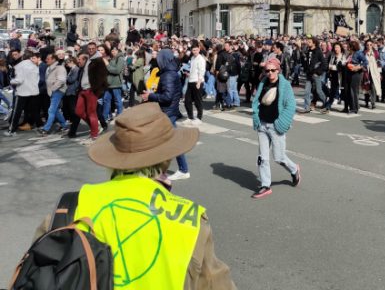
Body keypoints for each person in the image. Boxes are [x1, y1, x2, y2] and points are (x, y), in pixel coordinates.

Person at [28, 103, 237, 289]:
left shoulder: (70, 208)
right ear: (167, 159)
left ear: (114, 159)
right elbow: (215, 282)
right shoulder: (191, 221)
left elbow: (35, 272)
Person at [251, 57, 301, 199]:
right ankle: (265, 185)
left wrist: (281, 123)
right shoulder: (263, 83)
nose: (270, 73)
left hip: (275, 126)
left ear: (278, 70)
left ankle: (294, 169)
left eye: (273, 70)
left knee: (279, 157)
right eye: (267, 70)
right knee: (262, 157)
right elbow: (256, 101)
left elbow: (290, 106)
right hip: (262, 124)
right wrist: (256, 115)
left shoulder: (284, 85)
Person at [143, 49, 191, 181]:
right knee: (167, 141)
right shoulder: (169, 72)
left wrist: (151, 96)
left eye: (159, 58)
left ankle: (181, 169)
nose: (157, 60)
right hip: (169, 111)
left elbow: (167, 96)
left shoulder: (168, 74)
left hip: (168, 112)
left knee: (165, 142)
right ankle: (180, 169)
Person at [5, 51, 41, 136]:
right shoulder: (35, 66)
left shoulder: (19, 66)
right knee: (35, 111)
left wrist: (11, 81)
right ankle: (40, 126)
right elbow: (37, 79)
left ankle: (12, 130)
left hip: (22, 92)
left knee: (17, 111)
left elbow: (19, 80)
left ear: (23, 57)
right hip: (34, 91)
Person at [38, 52, 68, 135]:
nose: (46, 60)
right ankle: (64, 126)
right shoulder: (49, 68)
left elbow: (61, 80)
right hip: (53, 91)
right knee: (56, 110)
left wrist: (53, 89)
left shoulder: (60, 68)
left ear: (54, 59)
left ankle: (46, 129)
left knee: (51, 110)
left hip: (58, 91)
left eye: (48, 59)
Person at [184, 41, 205, 124]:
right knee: (187, 100)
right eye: (193, 50)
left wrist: (199, 82)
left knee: (198, 101)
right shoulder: (192, 58)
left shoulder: (201, 59)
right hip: (190, 81)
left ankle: (199, 118)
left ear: (199, 49)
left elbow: (201, 71)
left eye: (196, 50)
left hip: (197, 81)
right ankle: (190, 116)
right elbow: (193, 69)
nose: (194, 52)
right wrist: (188, 74)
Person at [362, 40, 381, 109]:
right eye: (367, 45)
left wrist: (379, 72)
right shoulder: (363, 53)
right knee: (366, 87)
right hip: (366, 72)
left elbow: (378, 62)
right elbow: (361, 62)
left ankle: (373, 103)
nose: (369, 46)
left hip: (374, 72)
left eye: (370, 44)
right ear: (365, 45)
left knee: (373, 87)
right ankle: (366, 101)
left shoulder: (375, 53)